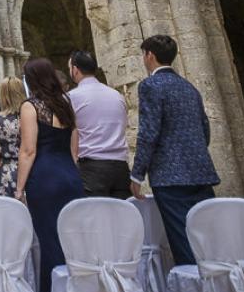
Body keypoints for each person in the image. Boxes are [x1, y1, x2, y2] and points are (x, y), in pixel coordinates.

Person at [129, 34, 220, 267]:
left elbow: (149, 133)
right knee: (206, 238)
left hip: (170, 177)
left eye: (143, 54)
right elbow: (204, 128)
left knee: (183, 240)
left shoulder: (150, 85)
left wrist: (137, 174)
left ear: (149, 55)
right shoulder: (189, 87)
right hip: (201, 172)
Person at [19, 59, 84, 292]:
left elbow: (28, 151)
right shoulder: (65, 105)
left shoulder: (31, 106)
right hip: (69, 176)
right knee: (71, 244)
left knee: (49, 246)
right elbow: (74, 150)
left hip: (44, 178)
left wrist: (19, 188)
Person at [68, 50, 131, 199]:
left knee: (96, 217)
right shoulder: (117, 95)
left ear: (75, 70)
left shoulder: (72, 97)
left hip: (92, 168)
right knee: (121, 216)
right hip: (121, 167)